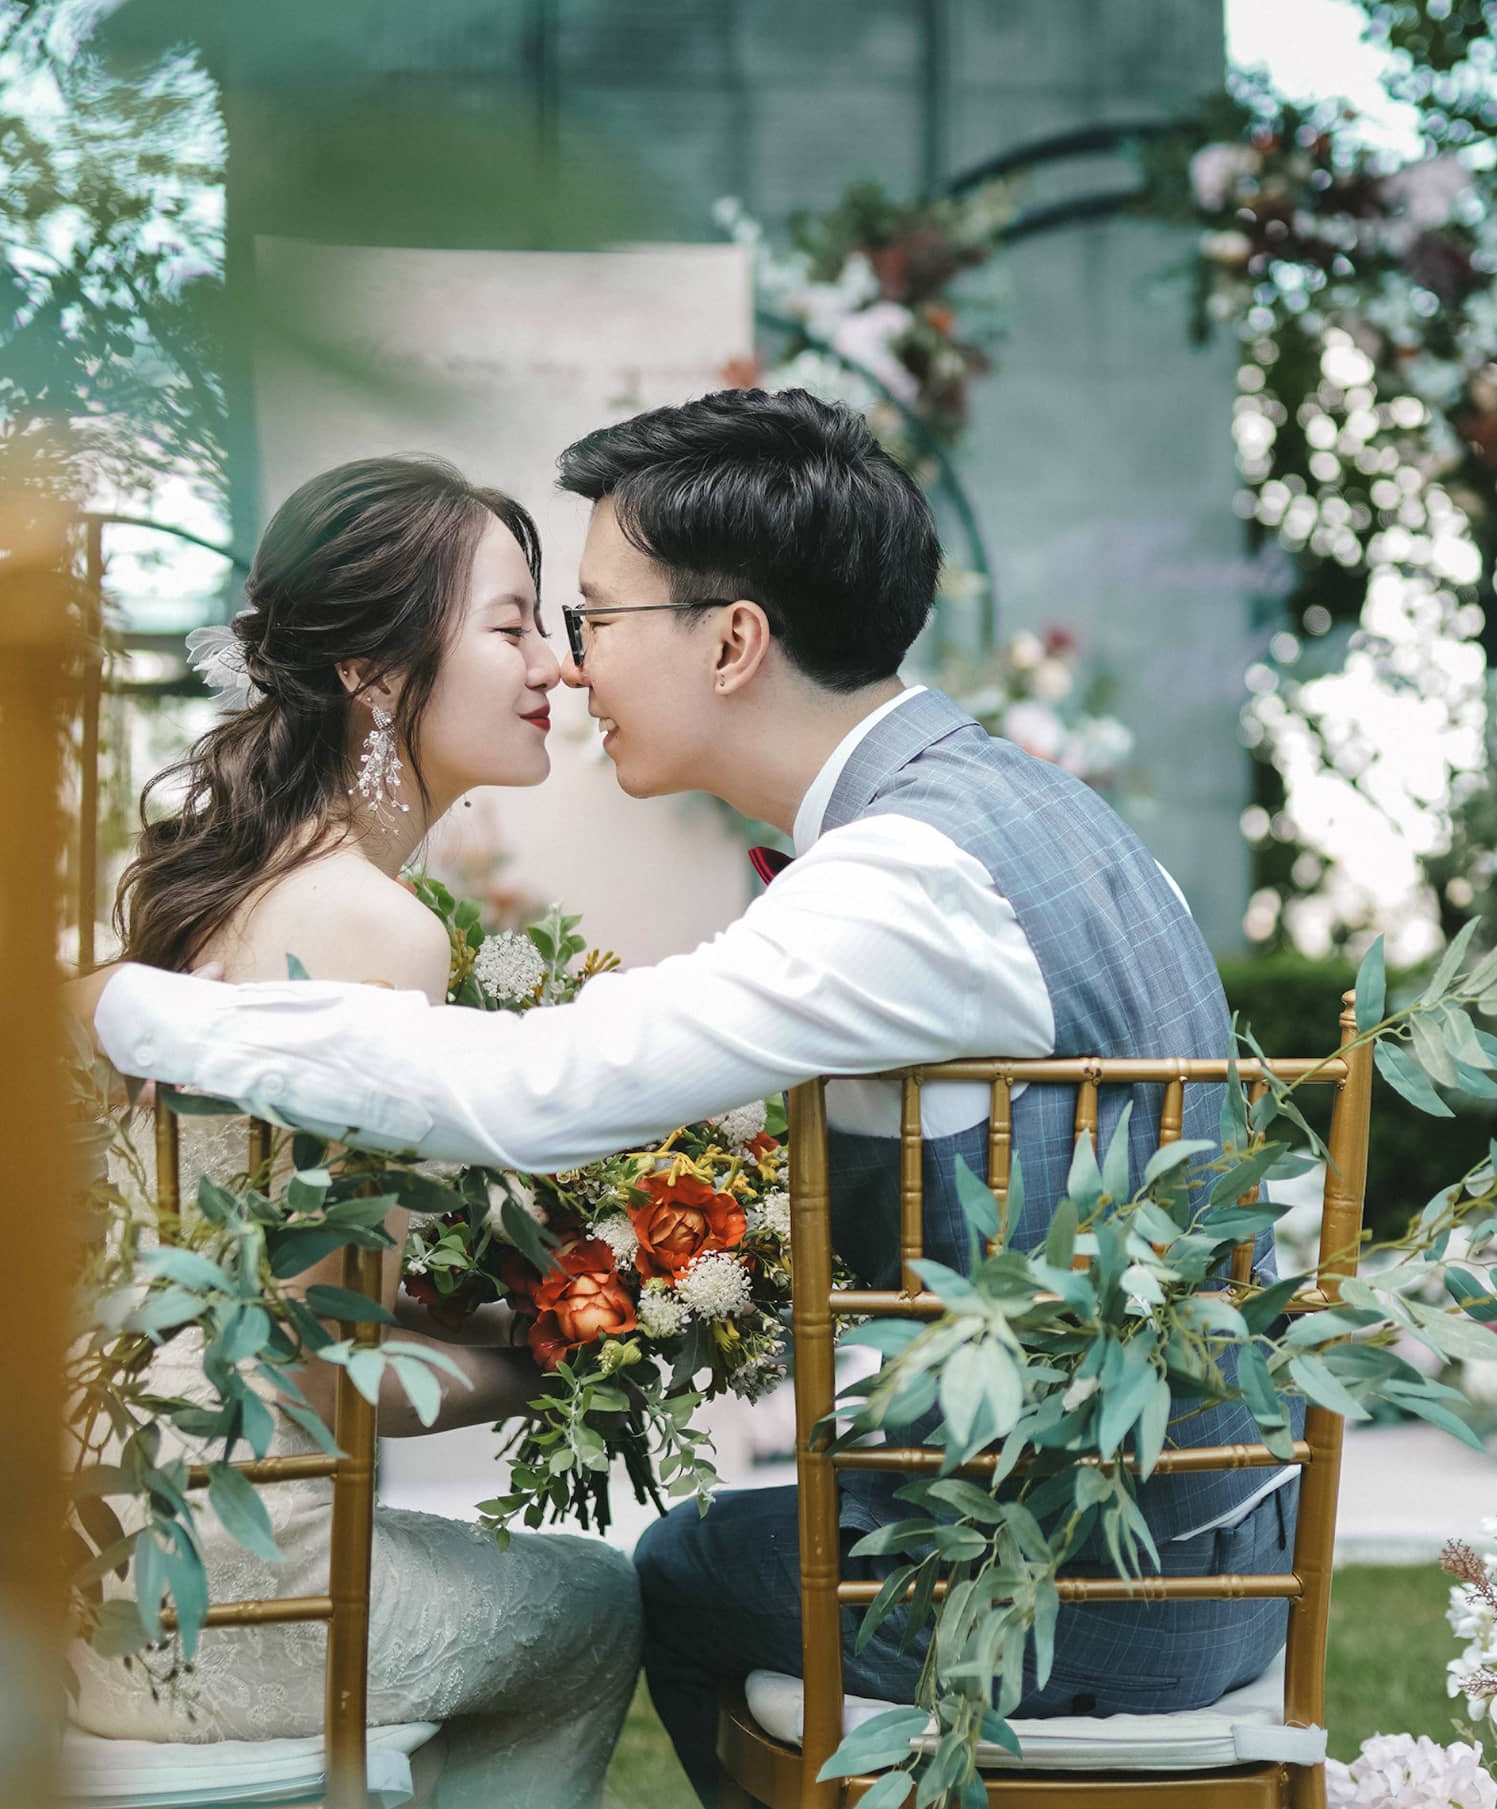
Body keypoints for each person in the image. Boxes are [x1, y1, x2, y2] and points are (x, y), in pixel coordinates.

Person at [93, 390, 1300, 1808]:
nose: (571, 665)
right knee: (700, 1550)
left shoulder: (902, 878)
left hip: (1071, 1580)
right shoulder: (1048, 819)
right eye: (536, 622)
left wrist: (120, 1004)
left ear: (731, 639)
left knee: (679, 1566)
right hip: (1218, 1539)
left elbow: (539, 1086)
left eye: (593, 618)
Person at [75, 456, 640, 1809]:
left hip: (93, 1560)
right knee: (596, 1598)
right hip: (244, 1608)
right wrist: (588, 1322)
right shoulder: (376, 930)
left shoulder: (218, 885)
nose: (556, 668)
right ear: (378, 675)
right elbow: (352, 1370)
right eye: (511, 625)